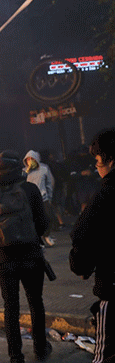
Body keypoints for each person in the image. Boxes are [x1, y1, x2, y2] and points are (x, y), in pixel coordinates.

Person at [0, 151, 52, 363]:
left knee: (11, 307)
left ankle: (15, 355)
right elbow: (43, 224)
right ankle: (40, 349)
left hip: (3, 259)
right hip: (31, 256)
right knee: (35, 302)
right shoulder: (29, 189)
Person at [70, 128, 115, 363]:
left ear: (110, 160)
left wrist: (82, 266)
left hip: (112, 286)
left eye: (98, 161)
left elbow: (83, 234)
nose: (97, 167)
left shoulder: (106, 193)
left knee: (104, 355)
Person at [24, 150, 56, 246]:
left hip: (43, 197)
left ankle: (47, 235)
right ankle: (38, 239)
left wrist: (49, 197)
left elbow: (50, 183)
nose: (30, 161)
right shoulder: (24, 171)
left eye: (32, 159)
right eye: (28, 159)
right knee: (34, 220)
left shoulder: (44, 169)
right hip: (30, 199)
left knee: (49, 217)